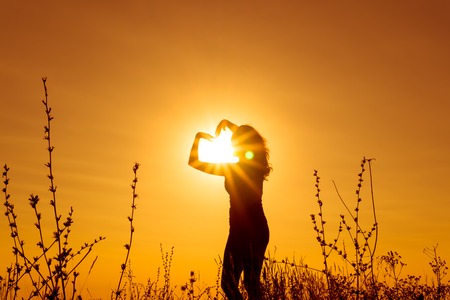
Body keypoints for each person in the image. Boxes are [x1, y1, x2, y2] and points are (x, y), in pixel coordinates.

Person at [188, 119, 271, 300]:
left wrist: (199, 137)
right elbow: (250, 139)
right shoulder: (256, 164)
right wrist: (229, 124)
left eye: (235, 142)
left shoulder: (234, 168)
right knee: (250, 284)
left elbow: (194, 161)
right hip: (253, 228)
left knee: (232, 284)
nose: (232, 145)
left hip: (245, 231)